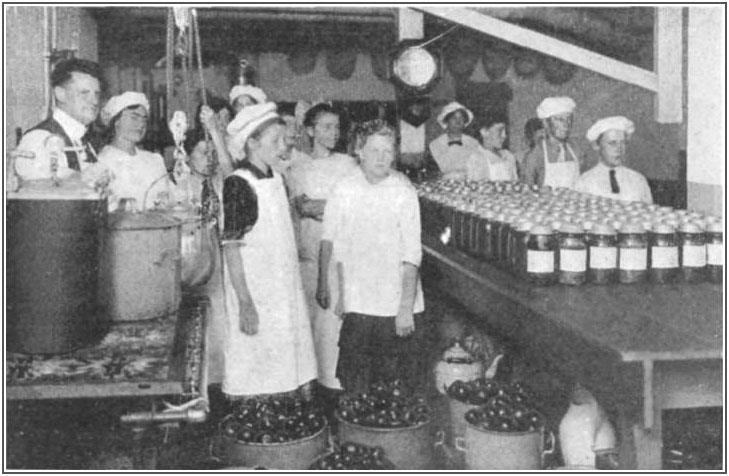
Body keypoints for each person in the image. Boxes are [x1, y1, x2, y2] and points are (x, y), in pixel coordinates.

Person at [316, 120, 427, 394]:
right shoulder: (344, 188)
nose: (381, 157)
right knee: (356, 382)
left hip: (395, 305)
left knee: (395, 385)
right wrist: (344, 296)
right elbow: (339, 248)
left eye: (388, 151)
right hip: (360, 302)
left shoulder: (403, 190)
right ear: (359, 151)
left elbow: (412, 255)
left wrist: (404, 309)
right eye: (374, 150)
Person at [221, 102, 317, 399]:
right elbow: (232, 250)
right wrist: (246, 302)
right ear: (252, 143)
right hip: (256, 291)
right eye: (274, 141)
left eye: (283, 139)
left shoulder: (277, 178)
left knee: (288, 358)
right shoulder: (238, 184)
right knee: (257, 361)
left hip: (282, 286)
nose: (282, 147)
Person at [286, 103, 358, 396]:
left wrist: (322, 206)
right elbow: (299, 204)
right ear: (311, 130)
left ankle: (333, 389)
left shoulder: (348, 165)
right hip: (306, 255)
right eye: (326, 127)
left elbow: (352, 207)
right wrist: (311, 206)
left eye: (337, 127)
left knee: (331, 327)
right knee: (306, 325)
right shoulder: (297, 165)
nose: (333, 133)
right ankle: (306, 389)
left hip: (336, 257)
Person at [15, 58, 104, 181]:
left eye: (97, 94)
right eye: (84, 93)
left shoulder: (84, 140)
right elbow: (42, 191)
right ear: (60, 94)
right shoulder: (40, 139)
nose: (94, 101)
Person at [93, 92, 173, 211]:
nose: (141, 124)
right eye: (134, 117)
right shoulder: (101, 162)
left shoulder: (155, 160)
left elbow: (172, 198)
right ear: (116, 122)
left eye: (144, 119)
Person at [575, 116, 653, 203]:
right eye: (612, 143)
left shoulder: (638, 180)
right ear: (596, 145)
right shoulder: (584, 183)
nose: (619, 149)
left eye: (623, 143)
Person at [522, 96, 583, 189]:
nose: (566, 125)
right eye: (559, 119)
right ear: (546, 123)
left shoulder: (576, 150)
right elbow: (527, 192)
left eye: (569, 119)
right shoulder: (535, 155)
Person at [428, 101, 480, 180]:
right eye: (454, 118)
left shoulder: (473, 143)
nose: (458, 122)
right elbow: (432, 172)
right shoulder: (435, 144)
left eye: (461, 118)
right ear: (446, 121)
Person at [465, 112, 518, 182]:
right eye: (500, 131)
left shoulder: (508, 156)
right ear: (484, 132)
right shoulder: (475, 159)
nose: (504, 136)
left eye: (505, 131)